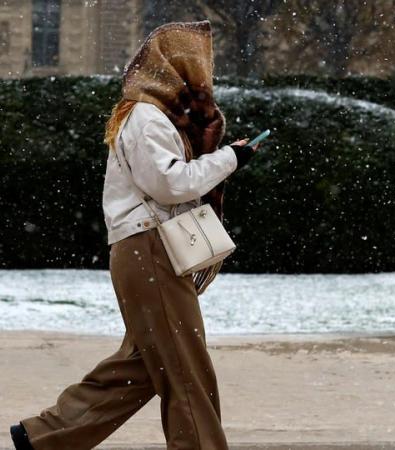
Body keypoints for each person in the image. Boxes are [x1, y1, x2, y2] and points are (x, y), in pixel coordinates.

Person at [9, 20, 259, 450]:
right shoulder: (146, 117)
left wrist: (224, 157)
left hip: (148, 249)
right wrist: (228, 160)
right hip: (149, 249)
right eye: (193, 68)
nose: (201, 79)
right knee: (186, 368)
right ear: (173, 70)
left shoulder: (153, 116)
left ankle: (46, 436)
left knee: (144, 364)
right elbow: (170, 184)